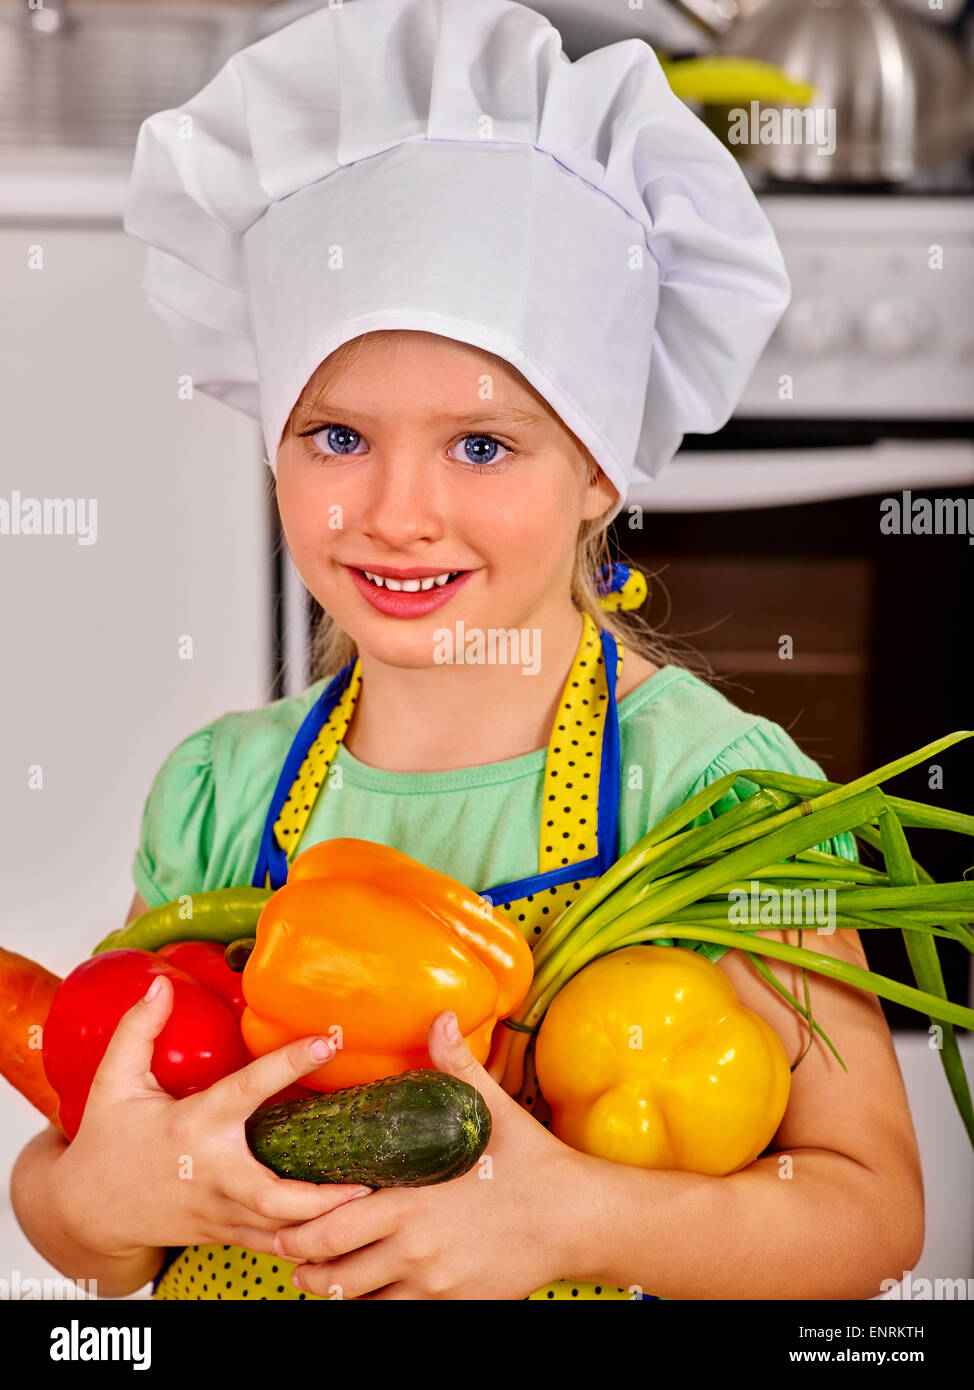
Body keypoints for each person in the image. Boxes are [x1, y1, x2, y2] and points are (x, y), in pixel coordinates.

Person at [11, 0, 923, 1301]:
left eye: (481, 444)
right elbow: (73, 1178)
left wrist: (573, 1219)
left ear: (600, 467)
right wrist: (103, 1197)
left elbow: (867, 1208)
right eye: (335, 436)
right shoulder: (220, 794)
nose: (394, 511)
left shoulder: (716, 797)